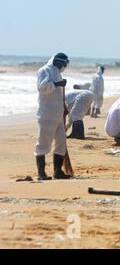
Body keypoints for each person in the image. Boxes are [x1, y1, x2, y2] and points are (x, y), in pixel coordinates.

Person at [35, 53, 72, 181]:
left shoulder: (57, 72)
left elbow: (58, 94)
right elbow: (41, 88)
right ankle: (41, 173)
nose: (64, 66)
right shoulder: (44, 71)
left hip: (58, 113)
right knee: (43, 143)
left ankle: (57, 171)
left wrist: (64, 106)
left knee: (61, 143)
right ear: (57, 61)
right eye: (63, 63)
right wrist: (57, 84)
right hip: (46, 114)